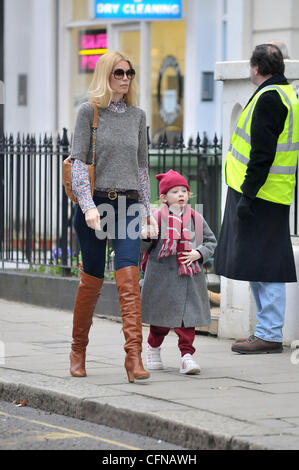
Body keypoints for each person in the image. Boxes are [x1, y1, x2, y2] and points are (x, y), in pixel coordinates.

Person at [69, 51, 158, 382]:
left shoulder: (137, 116)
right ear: (105, 75)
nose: (125, 78)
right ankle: (78, 349)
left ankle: (133, 357)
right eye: (118, 72)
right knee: (91, 280)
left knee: (129, 279)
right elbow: (78, 162)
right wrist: (88, 206)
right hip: (95, 205)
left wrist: (148, 212)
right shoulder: (89, 112)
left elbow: (141, 168)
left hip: (128, 205)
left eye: (130, 73)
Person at [215, 44, 299, 354]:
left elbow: (262, 155)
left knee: (265, 265)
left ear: (254, 68)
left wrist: (248, 195)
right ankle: (265, 332)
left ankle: (269, 334)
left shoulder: (270, 98)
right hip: (269, 193)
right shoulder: (286, 94)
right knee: (258, 263)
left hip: (260, 194)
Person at [140, 170, 217, 374]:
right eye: (175, 191)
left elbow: (211, 241)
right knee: (160, 322)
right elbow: (143, 246)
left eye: (184, 190)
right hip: (162, 280)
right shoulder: (155, 217)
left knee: (187, 321)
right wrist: (146, 236)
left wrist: (199, 253)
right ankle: (153, 349)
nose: (181, 194)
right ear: (164, 197)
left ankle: (187, 356)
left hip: (188, 278)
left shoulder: (195, 218)